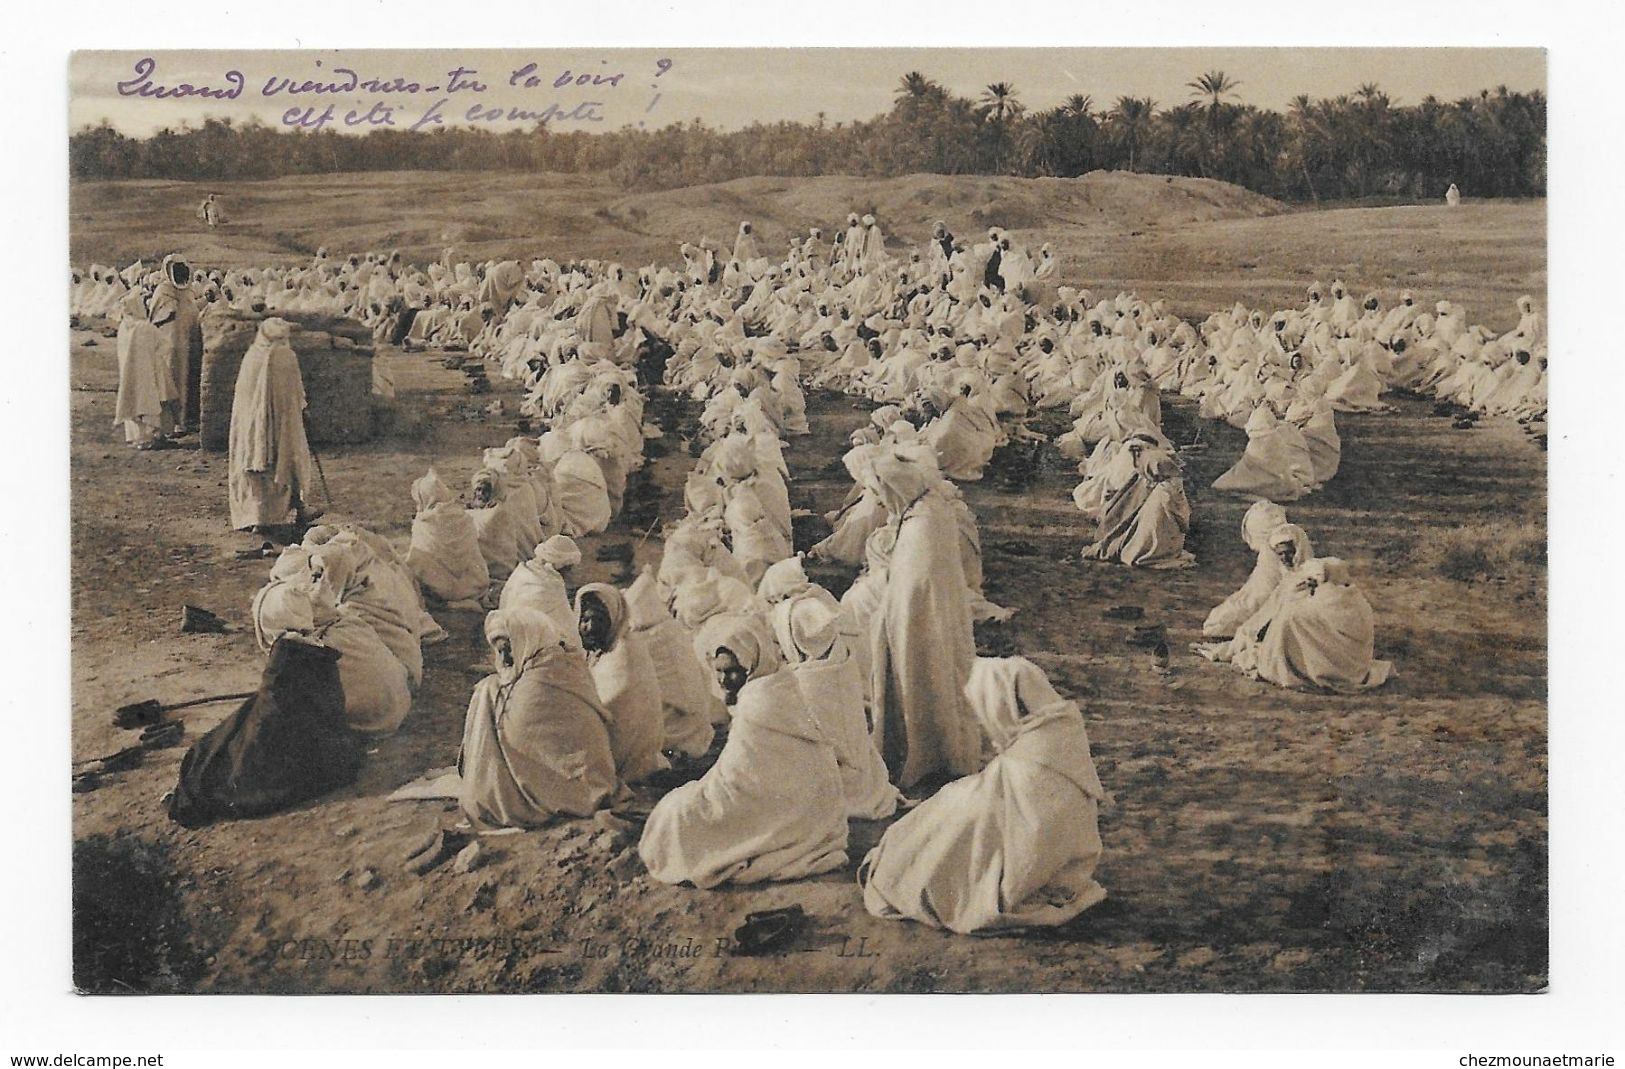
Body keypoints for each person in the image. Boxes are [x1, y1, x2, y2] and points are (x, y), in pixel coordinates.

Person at [858, 656, 1110, 934]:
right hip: (1063, 859)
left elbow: (1009, 822)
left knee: (934, 831)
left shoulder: (1026, 766)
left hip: (1030, 856)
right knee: (952, 803)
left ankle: (901, 868)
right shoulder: (1061, 733)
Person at [638, 618, 848, 888]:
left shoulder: (758, 701)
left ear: (751, 666)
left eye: (734, 671)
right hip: (812, 806)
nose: (725, 679)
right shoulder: (780, 684)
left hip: (785, 804)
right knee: (679, 805)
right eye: (720, 672)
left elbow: (738, 781)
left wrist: (699, 795)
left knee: (677, 814)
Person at [865, 447, 980, 788]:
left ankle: (927, 756)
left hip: (920, 626)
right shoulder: (929, 509)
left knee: (923, 681)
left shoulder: (923, 526)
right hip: (935, 619)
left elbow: (914, 587)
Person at [457, 609, 619, 828]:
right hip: (597, 780)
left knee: (486, 691)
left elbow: (519, 736)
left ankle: (488, 795)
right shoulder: (567, 660)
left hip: (570, 790)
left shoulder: (538, 683)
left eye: (509, 650)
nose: (505, 659)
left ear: (526, 640)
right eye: (499, 652)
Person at [227, 317, 323, 532]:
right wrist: (303, 410)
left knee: (256, 463)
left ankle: (256, 517)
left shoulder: (251, 356)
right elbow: (296, 394)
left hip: (250, 427)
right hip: (282, 422)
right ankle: (299, 508)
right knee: (289, 459)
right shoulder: (286, 356)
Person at [576, 584, 667, 784]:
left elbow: (610, 707)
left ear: (615, 618)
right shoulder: (604, 648)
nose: (590, 627)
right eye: (584, 620)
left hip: (628, 759)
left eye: (599, 620)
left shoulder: (623, 653)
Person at [1201, 501, 1289, 638]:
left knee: (1218, 622)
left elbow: (1262, 595)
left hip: (1275, 603)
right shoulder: (1288, 543)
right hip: (1276, 599)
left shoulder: (1270, 554)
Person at [405, 469, 490, 606]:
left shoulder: (424, 523)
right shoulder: (465, 517)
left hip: (440, 591)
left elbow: (418, 563)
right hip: (473, 586)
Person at [150, 255, 203, 435]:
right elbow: (157, 318)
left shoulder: (189, 292)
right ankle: (173, 423)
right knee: (173, 381)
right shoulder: (163, 292)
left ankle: (188, 418)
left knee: (191, 379)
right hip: (171, 344)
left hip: (190, 342)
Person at [113, 288, 171, 449]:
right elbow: (165, 345)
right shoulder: (145, 327)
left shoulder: (123, 328)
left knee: (132, 400)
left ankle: (138, 437)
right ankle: (151, 437)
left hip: (129, 374)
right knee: (149, 401)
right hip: (147, 372)